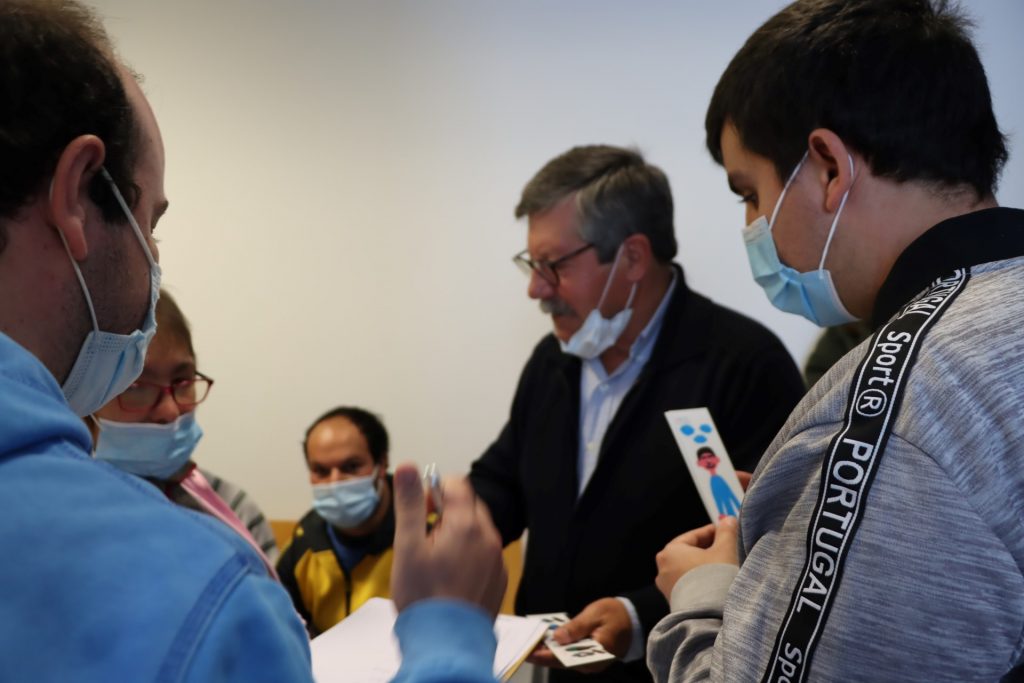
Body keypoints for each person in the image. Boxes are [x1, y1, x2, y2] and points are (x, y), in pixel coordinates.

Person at [0, 2, 504, 680]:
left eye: (184, 382)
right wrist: (449, 639)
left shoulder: (222, 527)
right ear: (77, 192)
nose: (153, 259)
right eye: (150, 221)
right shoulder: (200, 597)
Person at [648, 1, 1024, 680]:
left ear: (827, 167)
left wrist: (702, 591)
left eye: (750, 193)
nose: (752, 225)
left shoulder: (905, 397)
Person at [469, 145, 806, 681]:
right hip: (551, 664)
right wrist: (453, 514)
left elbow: (765, 545)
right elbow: (506, 479)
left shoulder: (744, 366)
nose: (536, 288)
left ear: (632, 258)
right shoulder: (554, 360)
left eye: (553, 265)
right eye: (531, 265)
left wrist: (638, 615)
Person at [92, 289, 279, 571]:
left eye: (182, 381)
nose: (170, 411)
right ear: (86, 399)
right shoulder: (64, 510)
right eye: (136, 386)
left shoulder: (234, 509)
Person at [277, 406, 396, 635]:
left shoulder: (428, 534)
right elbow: (281, 629)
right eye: (321, 471)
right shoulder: (302, 544)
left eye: (351, 467)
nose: (335, 481)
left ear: (381, 464)